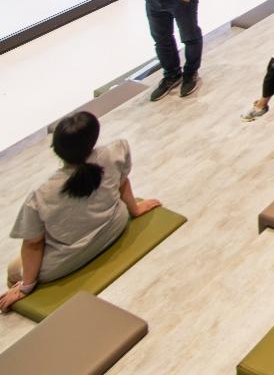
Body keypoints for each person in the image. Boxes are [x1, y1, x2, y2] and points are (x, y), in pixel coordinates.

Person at [1, 112, 160, 313]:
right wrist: (135, 209)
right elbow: (122, 183)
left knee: (13, 270)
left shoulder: (41, 195)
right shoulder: (116, 150)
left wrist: (25, 287)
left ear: (56, 149)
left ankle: (18, 295)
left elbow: (33, 244)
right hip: (115, 226)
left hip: (66, 260)